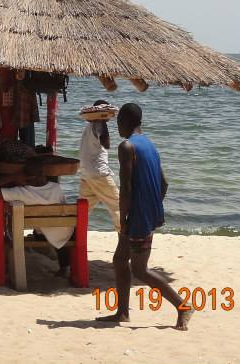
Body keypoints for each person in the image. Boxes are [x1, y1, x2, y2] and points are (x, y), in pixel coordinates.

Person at [97, 103, 194, 331]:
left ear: (126, 122)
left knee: (140, 269)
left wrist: (125, 219)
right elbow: (164, 183)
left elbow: (126, 188)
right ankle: (122, 312)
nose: (118, 127)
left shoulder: (126, 146)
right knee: (120, 260)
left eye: (119, 122)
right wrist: (152, 207)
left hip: (137, 217)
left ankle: (182, 306)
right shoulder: (150, 144)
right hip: (147, 213)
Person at [78, 100, 121, 232]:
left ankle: (74, 234)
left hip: (86, 174)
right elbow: (106, 144)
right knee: (118, 205)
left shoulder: (88, 127)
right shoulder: (100, 125)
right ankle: (124, 235)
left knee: (83, 210)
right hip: (99, 173)